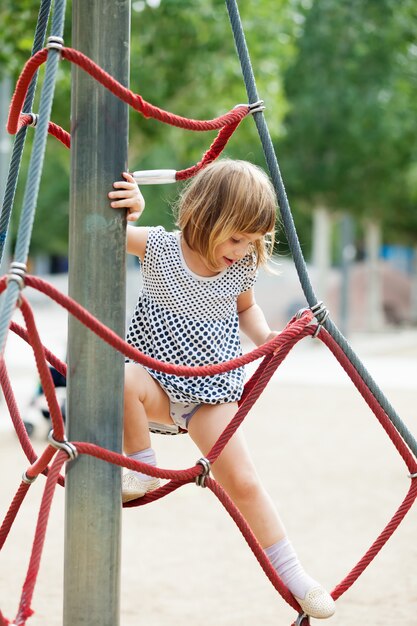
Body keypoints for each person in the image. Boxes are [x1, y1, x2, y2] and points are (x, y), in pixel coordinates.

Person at [109, 159, 335, 620]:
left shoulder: (239, 270)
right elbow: (102, 231)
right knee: (119, 375)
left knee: (246, 482)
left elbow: (247, 311)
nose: (242, 251)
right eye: (236, 239)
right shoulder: (158, 247)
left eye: (252, 242)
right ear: (203, 213)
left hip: (210, 391)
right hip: (155, 382)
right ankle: (141, 465)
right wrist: (130, 210)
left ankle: (296, 576)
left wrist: (267, 338)